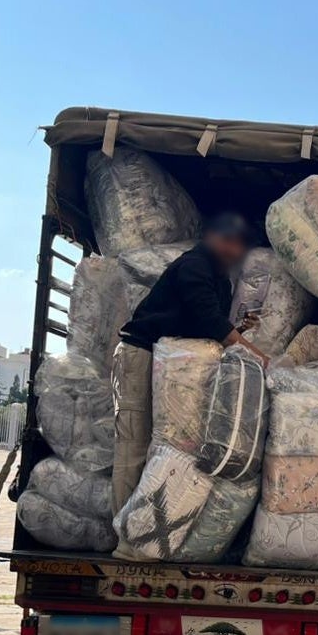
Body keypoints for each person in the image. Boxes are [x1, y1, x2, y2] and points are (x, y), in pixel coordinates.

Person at [111, 212, 265, 514]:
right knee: (133, 446)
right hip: (140, 354)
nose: (234, 250)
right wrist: (260, 358)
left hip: (169, 366)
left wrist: (241, 329)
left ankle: (144, 522)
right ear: (213, 238)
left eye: (239, 245)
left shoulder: (220, 279)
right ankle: (121, 529)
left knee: (165, 447)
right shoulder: (194, 266)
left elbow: (210, 327)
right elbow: (210, 322)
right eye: (229, 241)